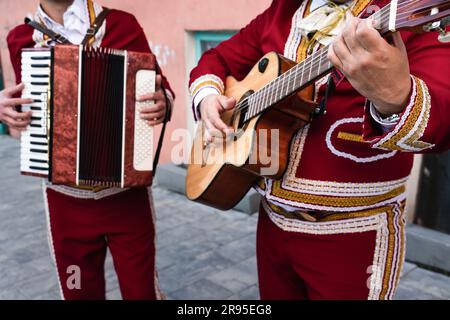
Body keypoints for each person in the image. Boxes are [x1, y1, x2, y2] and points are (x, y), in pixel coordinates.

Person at [189, 0, 450, 300]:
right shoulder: (283, 11)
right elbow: (217, 58)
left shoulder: (406, 8)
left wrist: (395, 97)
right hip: (271, 224)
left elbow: (442, 121)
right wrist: (208, 98)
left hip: (354, 237)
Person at [5, 0, 174, 300]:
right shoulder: (21, 37)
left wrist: (163, 101)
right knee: (79, 291)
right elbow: (28, 108)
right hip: (65, 203)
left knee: (142, 292)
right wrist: (8, 111)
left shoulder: (123, 25)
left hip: (126, 197)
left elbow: (162, 89)